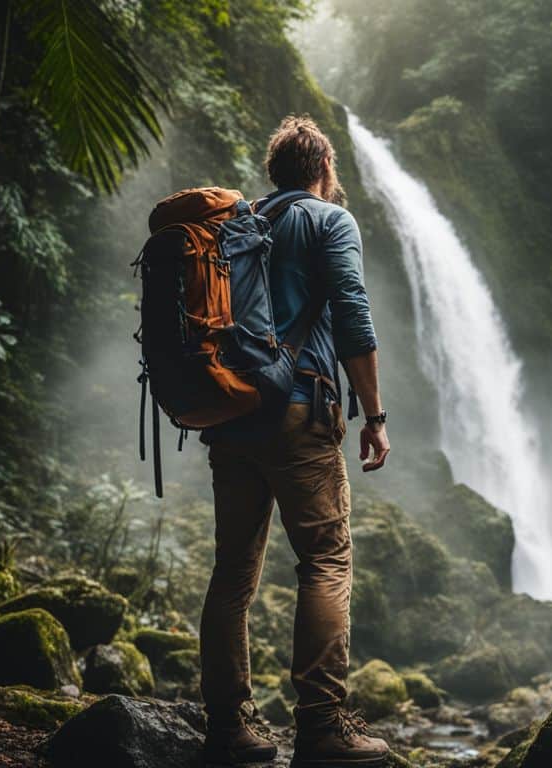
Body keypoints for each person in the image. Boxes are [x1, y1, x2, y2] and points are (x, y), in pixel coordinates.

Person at [198, 114, 391, 766]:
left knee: (232, 575)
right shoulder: (328, 219)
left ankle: (228, 730)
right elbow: (354, 317)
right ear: (323, 171)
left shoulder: (236, 227)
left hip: (230, 417)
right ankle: (322, 728)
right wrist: (375, 416)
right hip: (299, 412)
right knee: (326, 560)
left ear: (273, 171)